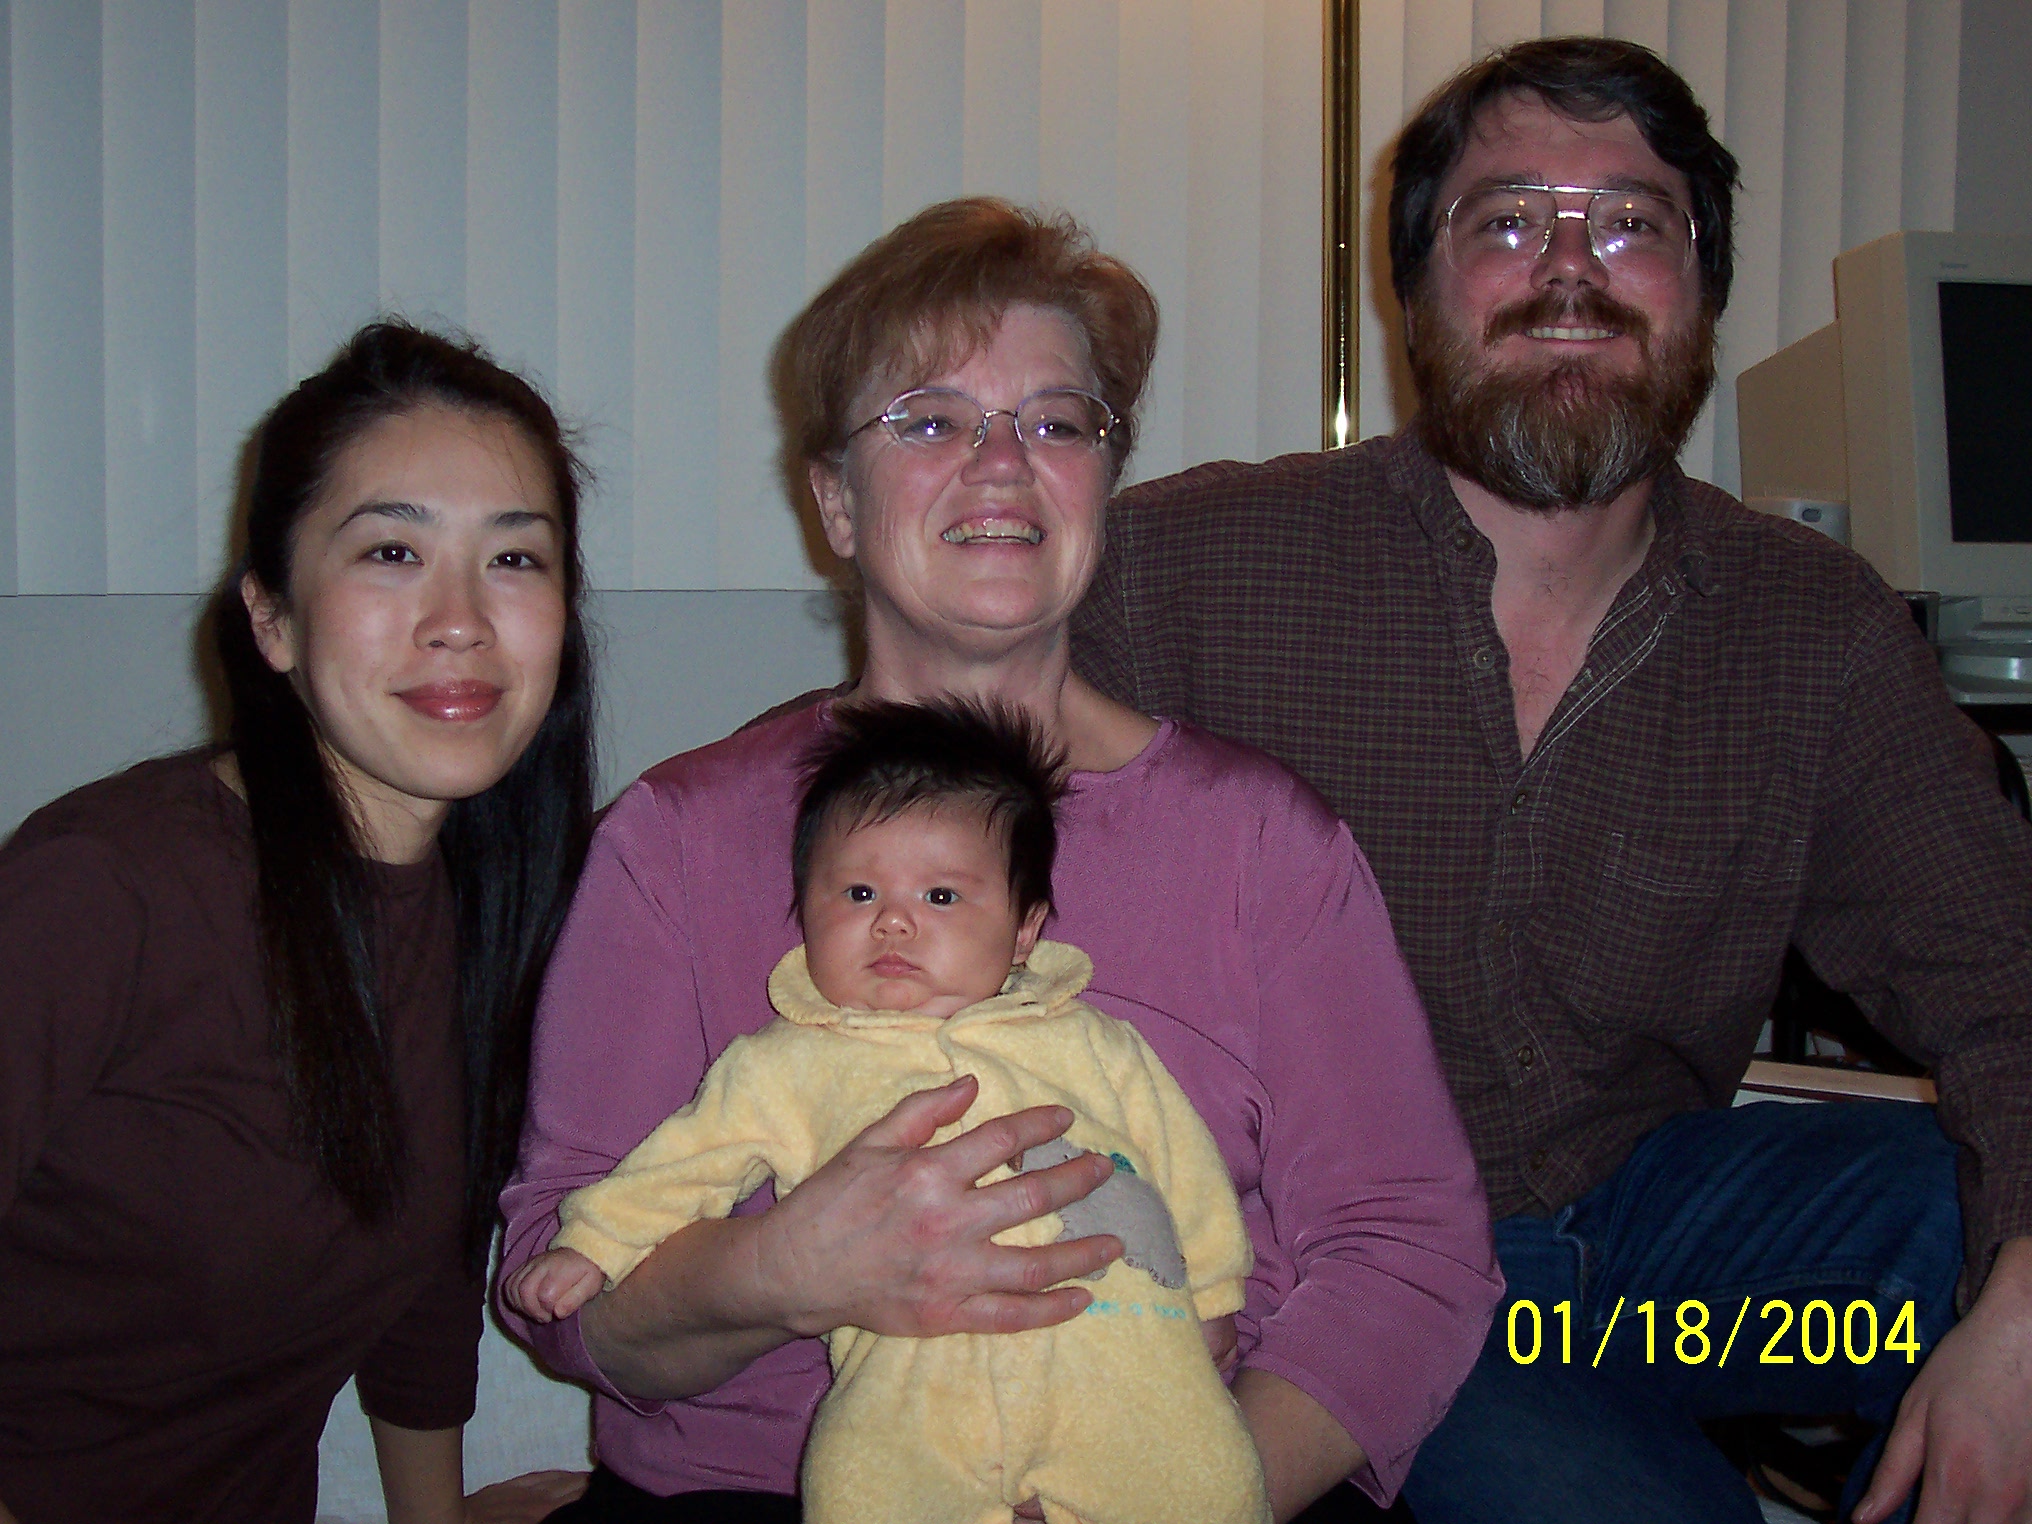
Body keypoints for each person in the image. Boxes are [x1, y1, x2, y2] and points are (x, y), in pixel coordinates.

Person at [1071, 33, 2032, 1524]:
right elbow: (912, 833)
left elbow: (2001, 973)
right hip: (1366, 1280)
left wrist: (2023, 1306)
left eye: (1631, 223)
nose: (1570, 269)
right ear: (1413, 291)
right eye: (1508, 221)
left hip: (1670, 1278)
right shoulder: (1178, 575)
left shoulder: (1812, 626)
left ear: (1701, 291)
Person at [499, 198, 1501, 1524]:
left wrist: (1180, 1497)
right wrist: (778, 1271)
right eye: (928, 421)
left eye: (1056, 423)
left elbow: (1411, 1257)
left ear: (1104, 481)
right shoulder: (674, 844)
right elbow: (563, 1293)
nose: (1000, 465)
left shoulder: (1264, 844)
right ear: (834, 501)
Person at [0, 322, 596, 1524]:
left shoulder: (497, 905)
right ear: (271, 618)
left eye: (514, 559)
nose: (461, 619)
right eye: (392, 551)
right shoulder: (104, 888)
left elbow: (422, 1287)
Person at [509, 699, 1270, 1524]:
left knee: (1215, 1489)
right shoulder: (783, 1065)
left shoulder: (1096, 1042)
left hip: (1125, 1365)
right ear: (805, 913)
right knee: (856, 1491)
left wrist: (1212, 1293)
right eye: (859, 891)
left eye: (942, 895)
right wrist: (594, 1244)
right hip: (911, 1397)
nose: (895, 920)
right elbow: (681, 1165)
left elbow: (1180, 1162)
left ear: (1024, 930)